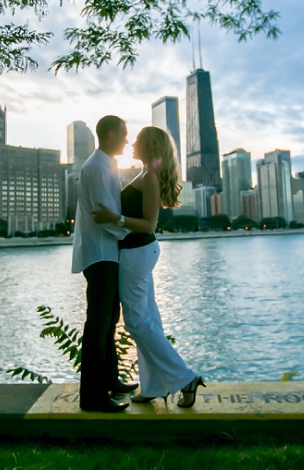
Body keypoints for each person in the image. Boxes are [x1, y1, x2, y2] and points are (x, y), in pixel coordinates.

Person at [92, 126, 205, 408]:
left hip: (138, 252)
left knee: (137, 321)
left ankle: (185, 377)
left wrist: (113, 218)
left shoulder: (150, 178)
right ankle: (154, 385)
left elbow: (149, 224)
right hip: (137, 252)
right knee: (149, 319)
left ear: (150, 146)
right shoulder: (144, 174)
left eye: (138, 140)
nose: (132, 143)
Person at [71, 115, 137, 413]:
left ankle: (111, 380)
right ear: (111, 134)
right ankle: (93, 397)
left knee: (110, 320)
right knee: (98, 325)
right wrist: (133, 230)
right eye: (124, 134)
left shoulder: (105, 164)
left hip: (105, 252)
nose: (127, 140)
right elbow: (104, 214)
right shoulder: (97, 167)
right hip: (100, 254)